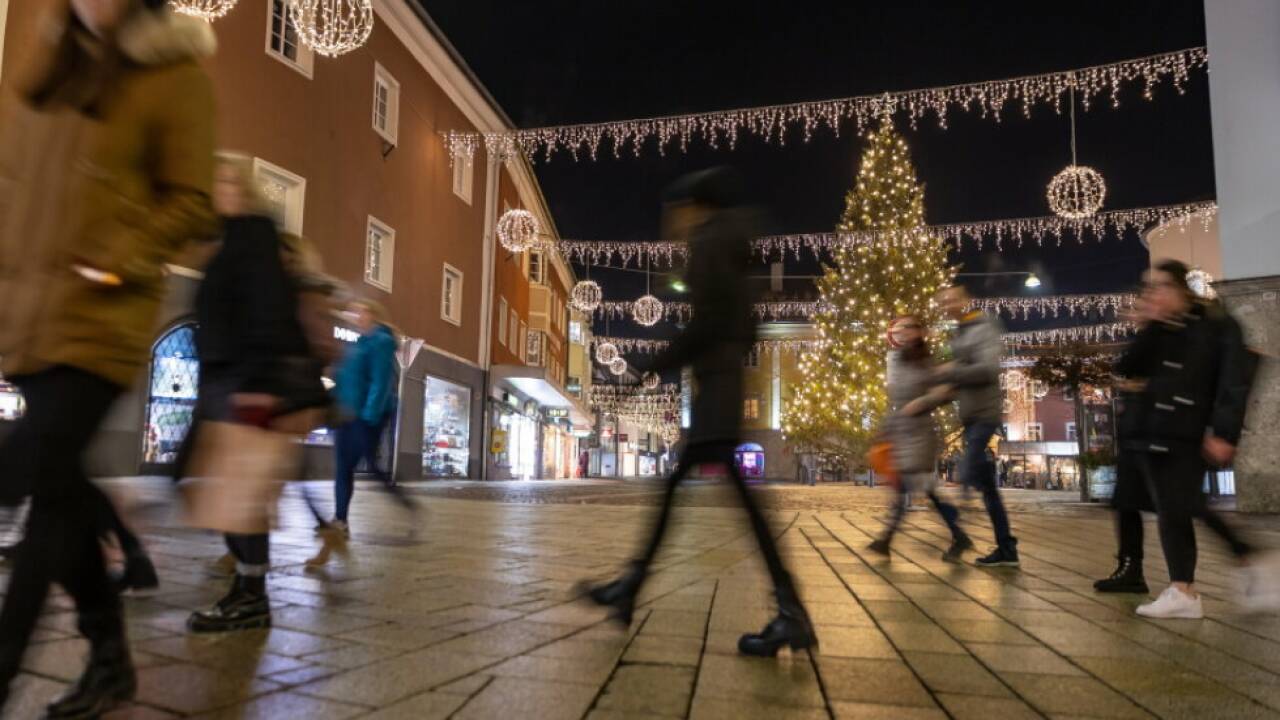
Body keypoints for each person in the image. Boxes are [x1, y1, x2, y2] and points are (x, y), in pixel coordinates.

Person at [0, 0, 217, 714]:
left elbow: (192, 201)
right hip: (32, 316)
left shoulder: (172, 71)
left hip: (103, 316)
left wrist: (118, 257)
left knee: (34, 486)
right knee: (60, 495)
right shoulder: (45, 64)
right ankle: (111, 658)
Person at [581, 168, 816, 657]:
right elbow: (741, 328)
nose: (670, 222)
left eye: (676, 210)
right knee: (701, 497)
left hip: (718, 392)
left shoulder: (711, 246)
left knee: (712, 501)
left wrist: (647, 368)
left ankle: (788, 610)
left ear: (694, 208)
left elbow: (706, 327)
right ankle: (634, 586)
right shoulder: (734, 247)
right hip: (724, 387)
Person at [182, 153, 329, 633]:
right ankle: (247, 592)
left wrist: (260, 387)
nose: (220, 187)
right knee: (223, 495)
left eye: (228, 178)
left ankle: (251, 595)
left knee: (239, 499)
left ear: (243, 186)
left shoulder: (254, 236)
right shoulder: (229, 239)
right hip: (224, 383)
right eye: (214, 179)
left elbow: (266, 314)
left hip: (244, 385)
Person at [1096, 260, 1269, 617]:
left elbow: (1233, 381)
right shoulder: (1163, 328)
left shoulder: (1217, 326)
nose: (1151, 294)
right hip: (1154, 431)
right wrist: (1148, 326)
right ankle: (1208, 579)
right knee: (1183, 507)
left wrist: (1223, 432)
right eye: (1148, 288)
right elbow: (1128, 367)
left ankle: (1190, 588)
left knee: (1179, 508)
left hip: (1187, 432)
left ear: (1178, 288)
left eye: (1158, 287)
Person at [867, 316, 974, 562]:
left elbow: (946, 392)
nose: (904, 332)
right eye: (901, 328)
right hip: (902, 433)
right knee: (922, 491)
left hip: (920, 433)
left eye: (910, 327)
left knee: (914, 490)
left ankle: (887, 539)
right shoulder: (899, 360)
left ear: (920, 332)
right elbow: (895, 401)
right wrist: (885, 430)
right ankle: (958, 537)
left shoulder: (927, 361)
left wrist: (921, 403)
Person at [935, 286, 1019, 567]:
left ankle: (959, 529)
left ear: (965, 300)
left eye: (951, 300)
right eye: (943, 302)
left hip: (986, 414)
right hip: (971, 416)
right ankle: (1006, 548)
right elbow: (963, 374)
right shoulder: (961, 331)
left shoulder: (984, 326)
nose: (946, 306)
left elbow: (987, 369)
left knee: (967, 469)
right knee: (988, 489)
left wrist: (952, 371)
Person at [328, 300, 399, 535]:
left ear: (373, 313)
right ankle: (340, 519)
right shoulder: (357, 343)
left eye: (361, 310)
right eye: (354, 311)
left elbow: (380, 381)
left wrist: (369, 416)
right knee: (343, 468)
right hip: (346, 415)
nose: (356, 315)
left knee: (367, 466)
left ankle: (404, 502)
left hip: (363, 417)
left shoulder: (381, 341)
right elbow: (344, 379)